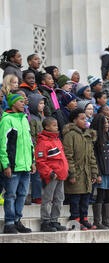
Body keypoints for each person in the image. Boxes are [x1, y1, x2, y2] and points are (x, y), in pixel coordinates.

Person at [0, 93, 35, 234]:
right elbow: (3, 144)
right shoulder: (6, 120)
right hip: (13, 166)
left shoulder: (25, 119)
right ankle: (9, 223)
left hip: (26, 166)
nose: (24, 104)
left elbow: (30, 143)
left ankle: (17, 220)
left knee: (22, 194)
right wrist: (5, 165)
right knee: (11, 195)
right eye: (21, 101)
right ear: (13, 104)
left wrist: (32, 161)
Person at [62, 108, 98, 230]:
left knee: (85, 199)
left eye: (85, 118)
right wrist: (72, 174)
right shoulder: (70, 135)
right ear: (74, 120)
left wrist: (94, 173)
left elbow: (92, 156)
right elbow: (68, 156)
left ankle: (84, 219)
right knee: (75, 199)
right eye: (82, 119)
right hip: (76, 173)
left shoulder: (88, 135)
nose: (85, 121)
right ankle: (75, 221)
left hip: (87, 173)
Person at [35, 117, 69, 232]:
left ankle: (54, 220)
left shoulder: (57, 140)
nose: (57, 127)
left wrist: (66, 170)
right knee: (48, 199)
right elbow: (40, 161)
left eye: (56, 125)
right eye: (54, 125)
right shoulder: (43, 142)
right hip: (51, 176)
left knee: (59, 198)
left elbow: (62, 158)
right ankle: (45, 221)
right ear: (47, 127)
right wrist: (49, 173)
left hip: (61, 175)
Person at [91, 114, 109, 229]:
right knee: (101, 195)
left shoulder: (107, 136)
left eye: (108, 122)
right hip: (101, 170)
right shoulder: (96, 137)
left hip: (108, 169)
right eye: (105, 122)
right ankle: (97, 221)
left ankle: (106, 220)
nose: (107, 124)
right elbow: (95, 157)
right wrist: (97, 173)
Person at [28, 94, 47, 204]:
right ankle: (36, 195)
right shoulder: (32, 119)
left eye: (43, 103)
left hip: (44, 149)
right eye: (40, 103)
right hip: (36, 149)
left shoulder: (42, 117)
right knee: (37, 175)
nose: (43, 105)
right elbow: (33, 135)